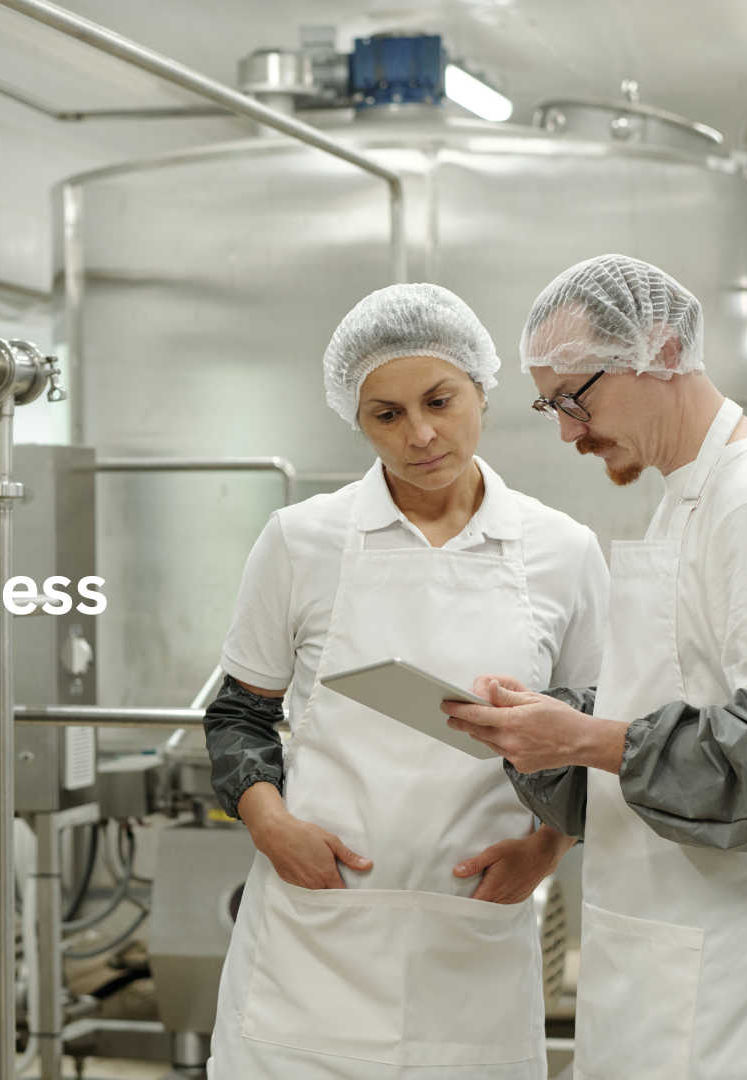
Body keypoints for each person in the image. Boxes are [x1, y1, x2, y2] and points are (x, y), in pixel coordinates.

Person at [442, 254, 747, 1080]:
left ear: (663, 351)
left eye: (576, 397)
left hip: (726, 969)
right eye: (550, 404)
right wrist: (547, 727)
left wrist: (587, 739)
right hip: (655, 951)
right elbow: (678, 699)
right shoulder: (685, 499)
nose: (566, 430)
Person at [203, 283, 610, 1079]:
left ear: (483, 391)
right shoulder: (301, 541)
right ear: (357, 421)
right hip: (314, 935)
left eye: (440, 399)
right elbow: (237, 713)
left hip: (473, 936)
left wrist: (547, 848)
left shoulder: (563, 551)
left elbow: (594, 738)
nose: (420, 434)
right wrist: (269, 823)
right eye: (386, 415)